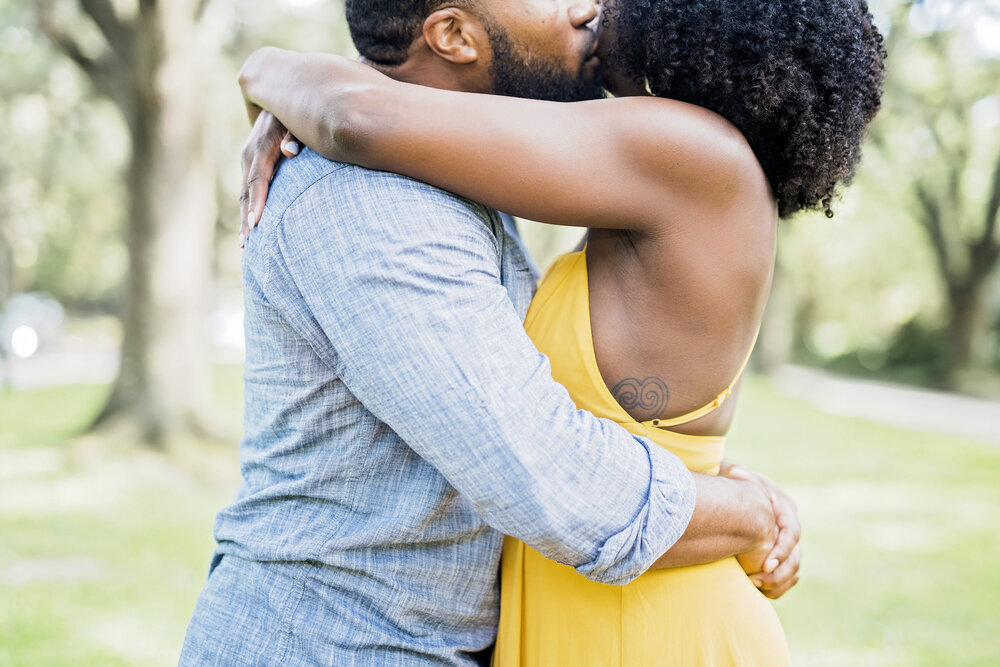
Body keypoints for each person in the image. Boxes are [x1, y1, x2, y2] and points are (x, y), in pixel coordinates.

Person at [237, 0, 885, 664]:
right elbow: (364, 115)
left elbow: (358, 116)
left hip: (646, 625)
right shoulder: (649, 168)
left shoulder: (685, 149)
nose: (593, 6)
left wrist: (269, 72)